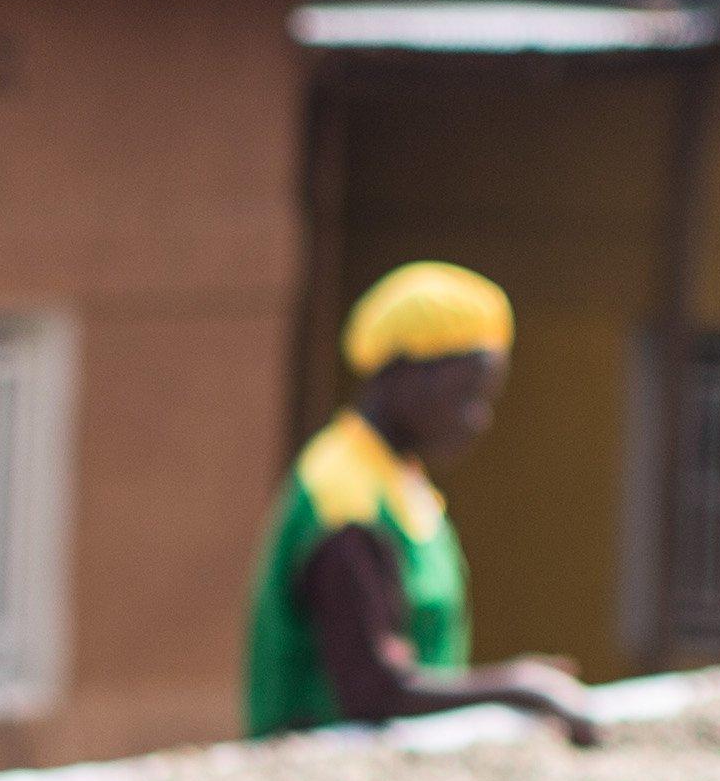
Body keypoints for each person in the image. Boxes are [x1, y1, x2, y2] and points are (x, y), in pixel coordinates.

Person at [245, 261, 601, 741]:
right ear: (403, 373)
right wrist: (516, 687)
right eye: (465, 394)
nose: (478, 419)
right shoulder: (345, 500)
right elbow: (373, 692)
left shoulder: (397, 479)